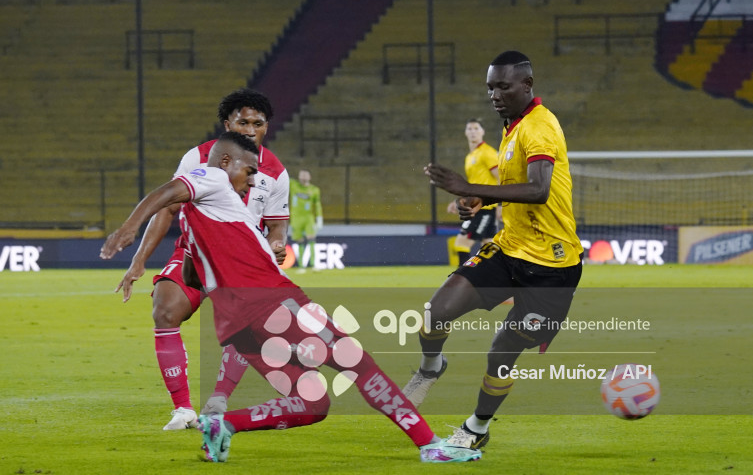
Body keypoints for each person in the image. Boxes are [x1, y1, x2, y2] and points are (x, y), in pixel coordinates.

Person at [101, 132, 481, 464]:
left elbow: (190, 273)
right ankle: (431, 445)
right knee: (358, 363)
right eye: (249, 171)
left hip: (237, 325)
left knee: (312, 404)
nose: (251, 182)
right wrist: (129, 228)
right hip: (271, 303)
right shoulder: (214, 177)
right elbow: (167, 191)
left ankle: (223, 425)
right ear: (227, 162)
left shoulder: (203, 217)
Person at [402, 50, 584, 449]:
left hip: (553, 268)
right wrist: (483, 202)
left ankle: (477, 428)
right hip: (509, 249)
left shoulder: (540, 127)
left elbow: (538, 190)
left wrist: (469, 188)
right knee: (436, 312)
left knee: (502, 351)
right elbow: (516, 190)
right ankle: (431, 367)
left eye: (503, 86)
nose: (495, 94)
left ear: (527, 85)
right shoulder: (511, 126)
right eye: (490, 87)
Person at [115, 89, 290, 430]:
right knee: (165, 309)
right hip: (195, 251)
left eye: (258, 123)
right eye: (243, 122)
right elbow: (169, 206)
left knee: (245, 325)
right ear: (228, 124)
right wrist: (139, 259)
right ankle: (182, 409)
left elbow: (277, 224)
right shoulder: (199, 157)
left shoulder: (276, 172)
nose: (250, 129)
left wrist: (277, 243)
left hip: (242, 261)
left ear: (267, 127)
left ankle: (218, 400)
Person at [447, 118, 500, 265]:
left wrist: (501, 205)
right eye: (469, 129)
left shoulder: (488, 153)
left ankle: (462, 279)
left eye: (476, 128)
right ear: (465, 133)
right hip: (478, 207)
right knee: (489, 246)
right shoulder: (470, 157)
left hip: (484, 208)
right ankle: (494, 281)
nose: (473, 132)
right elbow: (473, 185)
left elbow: (501, 179)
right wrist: (458, 201)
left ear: (483, 132)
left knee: (461, 244)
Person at [289, 169, 323, 271]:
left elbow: (317, 205)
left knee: (311, 238)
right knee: (300, 241)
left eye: (305, 175)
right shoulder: (293, 185)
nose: (303, 177)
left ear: (309, 177)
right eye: (301, 175)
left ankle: (313, 265)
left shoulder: (314, 190)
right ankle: (301, 266)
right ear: (299, 177)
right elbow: (283, 175)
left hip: (308, 218)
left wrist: (319, 218)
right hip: (296, 218)